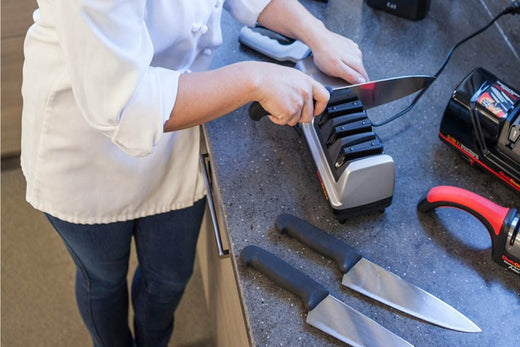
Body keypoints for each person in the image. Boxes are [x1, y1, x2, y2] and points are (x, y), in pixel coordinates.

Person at [21, 0, 368, 346]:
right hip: (86, 152)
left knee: (169, 278)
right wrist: (254, 79)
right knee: (103, 279)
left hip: (182, 121)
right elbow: (127, 107)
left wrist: (317, 33)